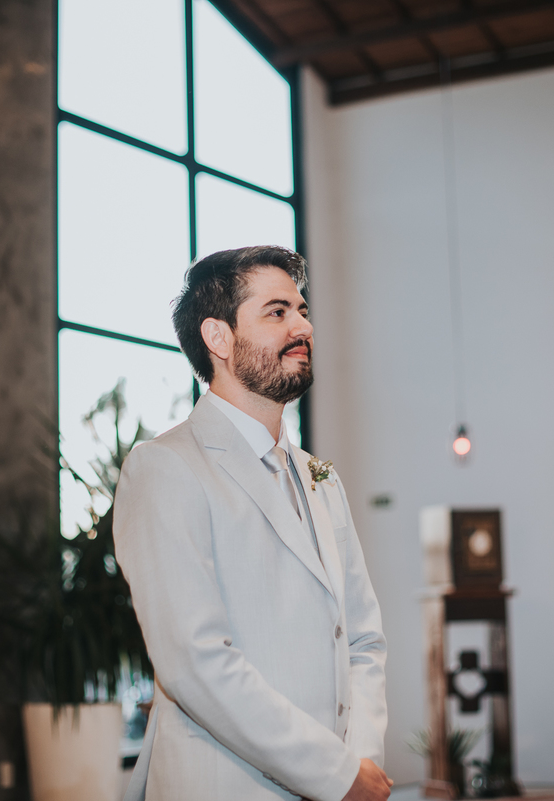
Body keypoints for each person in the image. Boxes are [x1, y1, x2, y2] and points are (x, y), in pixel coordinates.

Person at [114, 246, 391, 801]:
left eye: (302, 309)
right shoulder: (165, 468)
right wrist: (336, 775)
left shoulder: (321, 478)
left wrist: (360, 758)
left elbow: (361, 637)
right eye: (277, 311)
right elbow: (196, 661)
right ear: (218, 338)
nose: (304, 325)